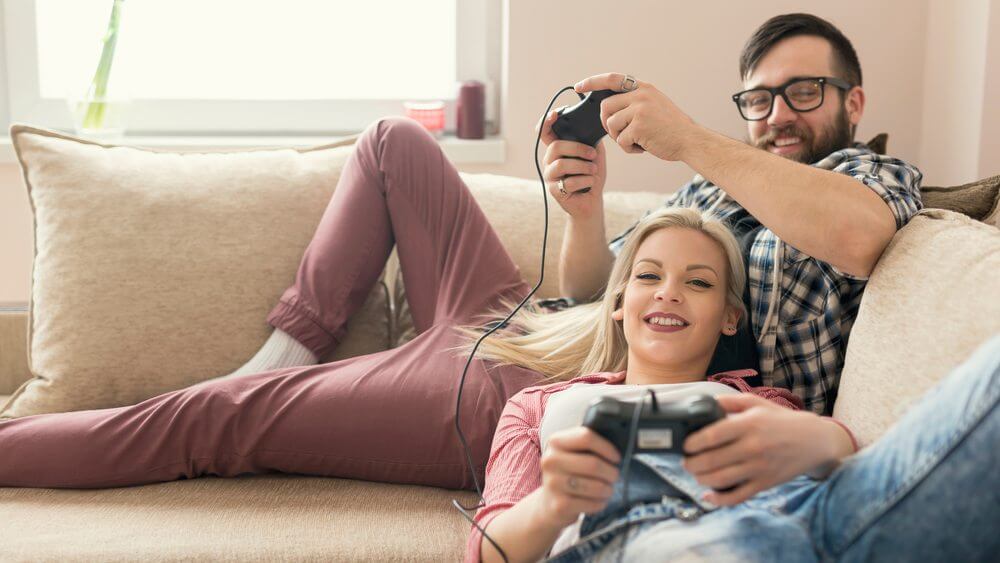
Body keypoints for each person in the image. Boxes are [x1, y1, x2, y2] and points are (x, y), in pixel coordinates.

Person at [465, 207, 1000, 562]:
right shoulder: (539, 405)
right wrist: (555, 504)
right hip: (662, 536)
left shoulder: (759, 399)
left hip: (824, 516)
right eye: (648, 276)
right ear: (617, 304)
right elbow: (486, 550)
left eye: (698, 282)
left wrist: (822, 440)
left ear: (729, 317)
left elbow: (844, 457)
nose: (668, 294)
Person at [544, 13, 922, 414]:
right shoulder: (710, 186)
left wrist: (687, 137)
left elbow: (860, 236)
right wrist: (584, 215)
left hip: (652, 405)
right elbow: (591, 292)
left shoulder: (874, 177)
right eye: (760, 100)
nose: (778, 115)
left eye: (806, 92)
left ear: (853, 103)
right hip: (558, 352)